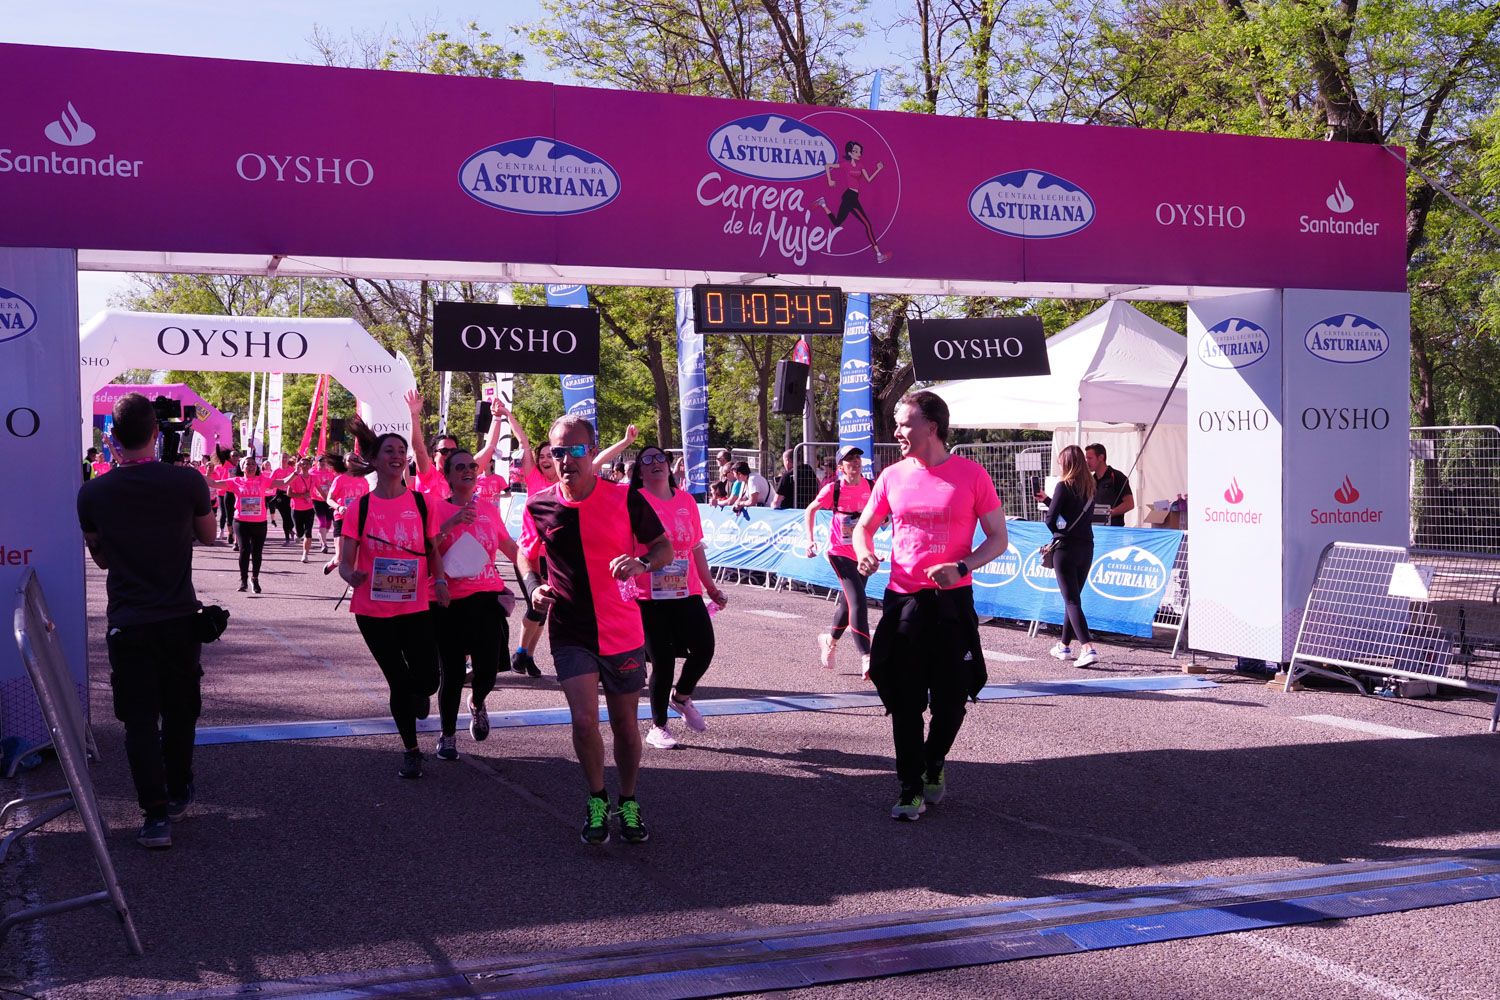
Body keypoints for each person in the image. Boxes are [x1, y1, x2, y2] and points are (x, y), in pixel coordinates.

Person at [854, 390, 1009, 822]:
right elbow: (863, 528)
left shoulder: (971, 475)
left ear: (932, 427)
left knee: (952, 701)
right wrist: (865, 552)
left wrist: (962, 567)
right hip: (903, 601)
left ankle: (933, 760)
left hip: (952, 602)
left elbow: (999, 537)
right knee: (905, 702)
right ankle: (909, 787)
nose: (897, 431)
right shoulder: (892, 476)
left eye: (905, 423)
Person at [517, 415, 673, 845]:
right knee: (584, 720)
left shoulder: (625, 498)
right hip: (571, 631)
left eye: (575, 450)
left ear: (592, 451)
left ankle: (629, 800)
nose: (566, 460)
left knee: (625, 724)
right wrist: (533, 586)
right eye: (558, 452)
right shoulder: (539, 505)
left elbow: (664, 547)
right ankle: (597, 798)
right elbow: (526, 554)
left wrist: (642, 563)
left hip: (622, 630)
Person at [77, 393, 217, 849]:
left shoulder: (92, 492)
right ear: (156, 433)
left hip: (129, 619)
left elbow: (101, 559)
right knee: (180, 711)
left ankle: (154, 817)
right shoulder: (187, 481)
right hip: (179, 616)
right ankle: (178, 790)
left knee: (138, 719)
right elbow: (209, 535)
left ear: (113, 437)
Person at [339, 418, 448, 779]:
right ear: (375, 458)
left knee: (428, 681)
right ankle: (411, 751)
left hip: (415, 606)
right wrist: (350, 575)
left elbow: (433, 549)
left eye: (402, 451)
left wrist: (440, 581)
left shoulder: (421, 503)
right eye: (390, 450)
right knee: (398, 682)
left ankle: (419, 695)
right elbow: (345, 562)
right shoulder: (359, 508)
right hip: (373, 611)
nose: (397, 455)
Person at [506, 410, 637, 678]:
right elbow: (523, 441)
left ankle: (527, 654)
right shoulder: (535, 482)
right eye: (551, 454)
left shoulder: (579, 474)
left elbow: (598, 458)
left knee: (544, 612)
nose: (554, 459)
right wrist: (506, 414)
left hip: (569, 564)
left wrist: (625, 442)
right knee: (537, 606)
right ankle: (522, 651)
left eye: (572, 451)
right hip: (541, 554)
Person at [629, 446, 728, 750]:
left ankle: (682, 697)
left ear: (670, 466)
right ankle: (658, 726)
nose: (655, 463)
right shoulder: (633, 500)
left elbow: (696, 547)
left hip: (687, 590)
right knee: (663, 660)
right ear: (640, 471)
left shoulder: (686, 500)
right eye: (647, 460)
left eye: (661, 458)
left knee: (704, 649)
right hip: (649, 593)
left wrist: (711, 588)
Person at [429, 443, 519, 760]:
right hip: (448, 602)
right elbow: (426, 550)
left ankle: (478, 702)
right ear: (448, 477)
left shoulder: (489, 510)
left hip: (486, 599)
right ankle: (447, 735)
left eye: (472, 466)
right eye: (460, 467)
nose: (468, 471)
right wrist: (451, 524)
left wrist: (540, 571)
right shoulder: (437, 509)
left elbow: (511, 548)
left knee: (488, 672)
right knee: (452, 673)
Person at [806, 446, 873, 675]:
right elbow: (810, 510)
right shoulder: (833, 489)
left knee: (847, 604)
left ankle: (829, 641)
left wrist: (882, 522)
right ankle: (866, 656)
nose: (855, 462)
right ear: (840, 467)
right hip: (839, 552)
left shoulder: (871, 486)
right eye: (849, 459)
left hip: (863, 552)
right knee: (858, 600)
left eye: (857, 458)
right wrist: (810, 540)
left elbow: (882, 514)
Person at [1047, 445, 1101, 668]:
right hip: (1086, 547)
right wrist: (1048, 500)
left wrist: (1059, 532)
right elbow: (1073, 513)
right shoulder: (1090, 487)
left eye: (1061, 462)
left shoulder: (1063, 485)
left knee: (1071, 599)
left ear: (1067, 464)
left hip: (1066, 548)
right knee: (1073, 598)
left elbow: (1051, 519)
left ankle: (1088, 648)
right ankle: (1064, 645)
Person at [211, 456, 277, 593]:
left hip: (259, 522)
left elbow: (282, 482)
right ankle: (243, 580)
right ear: (242, 467)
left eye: (253, 464)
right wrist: (196, 474)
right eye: (248, 464)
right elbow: (214, 483)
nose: (251, 466)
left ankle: (255, 578)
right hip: (241, 522)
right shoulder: (236, 481)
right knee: (244, 550)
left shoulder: (263, 480)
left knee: (257, 553)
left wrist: (296, 473)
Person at [816, 140, 889, 264]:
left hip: (852, 197)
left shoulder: (861, 166)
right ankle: (878, 255)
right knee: (867, 224)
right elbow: (827, 165)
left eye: (860, 151)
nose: (858, 153)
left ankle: (822, 204)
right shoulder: (845, 164)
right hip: (850, 197)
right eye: (855, 151)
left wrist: (878, 169)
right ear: (850, 153)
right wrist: (830, 180)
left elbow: (869, 179)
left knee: (837, 223)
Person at [322, 452, 371, 575]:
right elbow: (329, 499)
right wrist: (339, 507)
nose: (354, 461)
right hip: (342, 518)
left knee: (356, 558)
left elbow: (367, 500)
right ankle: (333, 563)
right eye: (350, 460)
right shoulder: (340, 479)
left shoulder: (364, 480)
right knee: (340, 558)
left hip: (357, 520)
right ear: (345, 463)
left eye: (356, 459)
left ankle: (351, 583)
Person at [1084, 443, 1135, 526]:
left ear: (1101, 457)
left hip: (1113, 529)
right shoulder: (1090, 480)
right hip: (1094, 528)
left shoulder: (1117, 476)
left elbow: (1129, 504)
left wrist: (1110, 513)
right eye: (1086, 458)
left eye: (1090, 458)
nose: (1087, 462)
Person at [283, 455, 319, 563]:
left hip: (309, 508)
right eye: (303, 464)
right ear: (299, 465)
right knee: (300, 532)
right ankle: (298, 535)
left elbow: (320, 490)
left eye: (307, 464)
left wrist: (328, 501)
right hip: (297, 509)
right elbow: (289, 493)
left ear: (310, 465)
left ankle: (305, 554)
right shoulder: (295, 477)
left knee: (308, 532)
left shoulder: (313, 478)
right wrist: (303, 495)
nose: (305, 466)